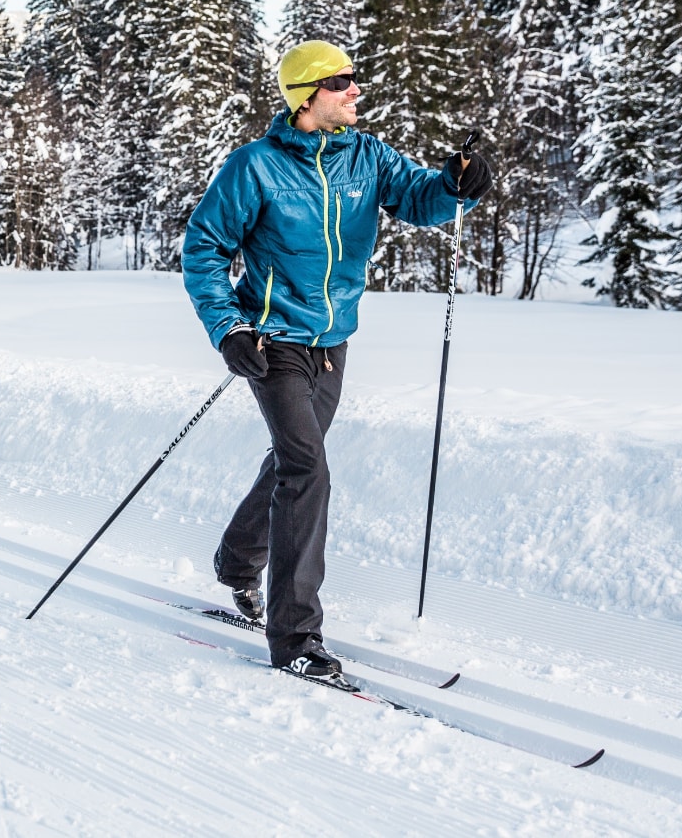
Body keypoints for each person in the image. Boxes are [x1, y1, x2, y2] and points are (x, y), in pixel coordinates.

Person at [181, 40, 494, 685]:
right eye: (342, 82)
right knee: (306, 466)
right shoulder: (256, 168)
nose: (356, 90)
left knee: (294, 460)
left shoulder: (367, 156)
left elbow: (422, 198)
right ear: (306, 95)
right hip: (271, 340)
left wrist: (456, 185)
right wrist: (227, 328)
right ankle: (294, 635)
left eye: (356, 79)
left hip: (332, 343)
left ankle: (238, 565)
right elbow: (204, 250)